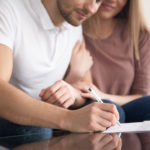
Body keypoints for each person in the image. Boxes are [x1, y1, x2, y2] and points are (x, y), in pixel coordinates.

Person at [0, 0, 120, 136]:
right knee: (38, 131)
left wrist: (72, 92)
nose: (92, 9)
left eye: (98, 1)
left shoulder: (74, 22)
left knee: (110, 114)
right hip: (13, 117)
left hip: (54, 114)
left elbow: (86, 89)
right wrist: (68, 119)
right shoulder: (7, 10)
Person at [69, 0, 150, 123]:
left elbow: (143, 95)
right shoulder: (72, 33)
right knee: (108, 110)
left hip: (127, 110)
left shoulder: (139, 35)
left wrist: (103, 96)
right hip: (85, 110)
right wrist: (75, 74)